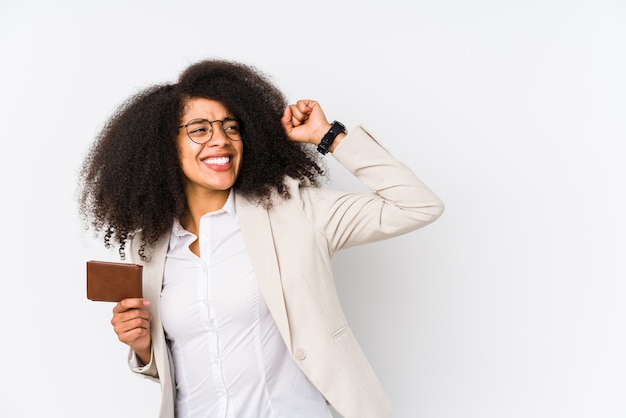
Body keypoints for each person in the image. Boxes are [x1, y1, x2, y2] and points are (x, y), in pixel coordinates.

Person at [78, 59, 444, 418]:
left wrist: (328, 137)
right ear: (164, 147)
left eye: (231, 127)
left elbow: (417, 205)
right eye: (200, 129)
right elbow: (192, 361)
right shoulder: (149, 247)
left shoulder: (295, 213)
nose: (220, 140)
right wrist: (144, 349)